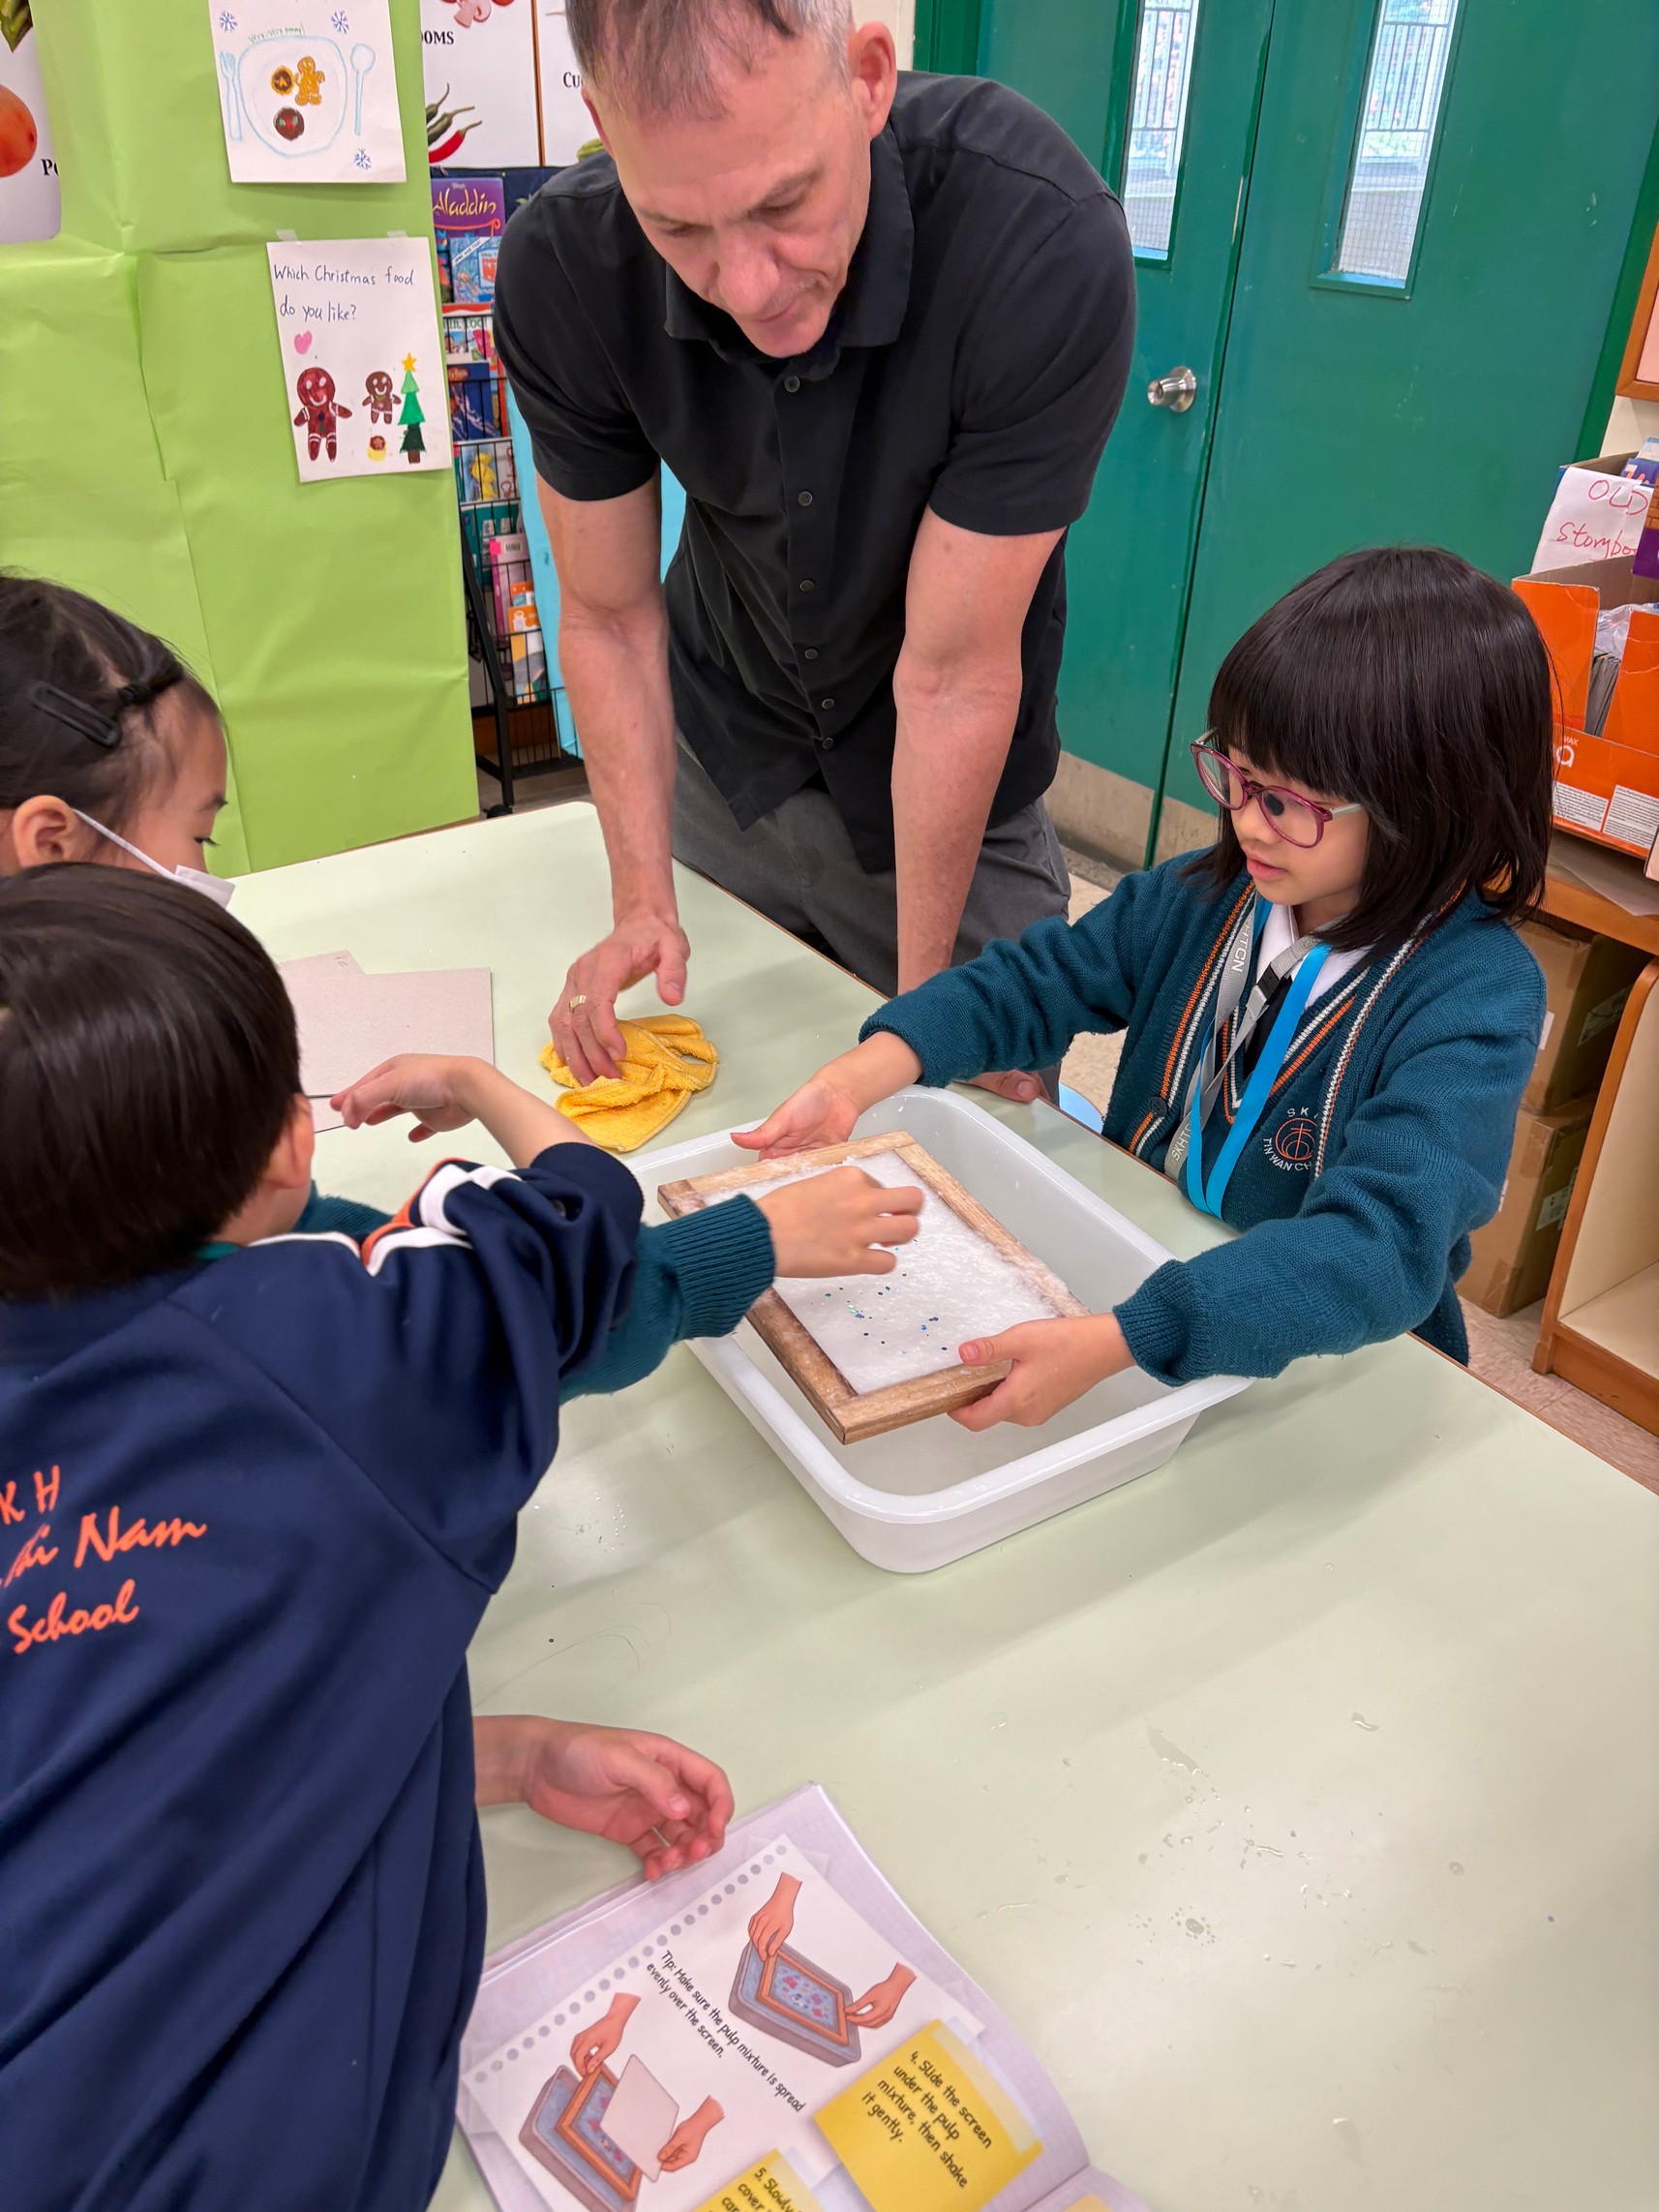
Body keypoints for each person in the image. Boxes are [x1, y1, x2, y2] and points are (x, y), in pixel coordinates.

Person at [0, 867, 922, 2211]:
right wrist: (483, 1086)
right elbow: (582, 1228)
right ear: (289, 1147)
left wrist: (485, 1754)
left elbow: (136, 1725)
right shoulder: (332, 1346)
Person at [740, 547, 1554, 1422]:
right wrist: (858, 1078)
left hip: (1330, 1367)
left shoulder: (1475, 997)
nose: (1246, 821)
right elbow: (1037, 982)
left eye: (1287, 803)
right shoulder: (1206, 894)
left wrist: (1129, 1336)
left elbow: (1378, 1247)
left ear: (1425, 809)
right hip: (1144, 1276)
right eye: (1236, 774)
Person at [493, 0, 1134, 1102]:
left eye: (784, 204)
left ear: (869, 76)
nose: (747, 285)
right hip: (721, 762)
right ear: (600, 124)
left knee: (969, 1146)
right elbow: (607, 613)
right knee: (722, 1119)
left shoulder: (1034, 238)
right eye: (678, 228)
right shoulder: (565, 268)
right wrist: (641, 900)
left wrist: (932, 1016)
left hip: (951, 809)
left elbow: (952, 677)